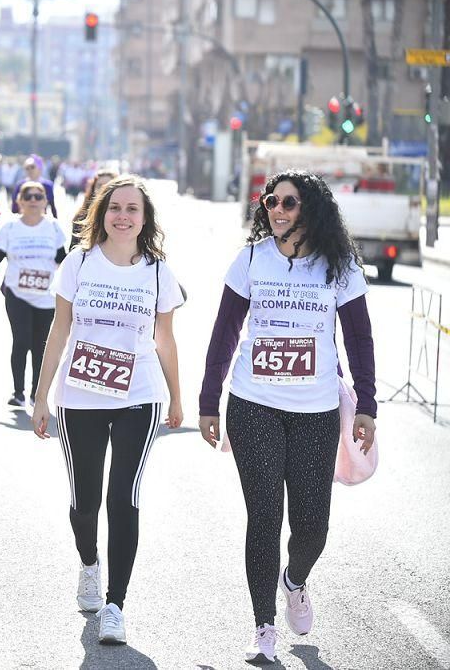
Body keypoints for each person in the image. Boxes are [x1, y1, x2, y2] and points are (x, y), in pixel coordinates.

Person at [198, 170, 377, 664]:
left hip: (315, 411)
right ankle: (263, 626)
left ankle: (294, 581)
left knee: (312, 525)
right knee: (264, 516)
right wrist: (209, 401)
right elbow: (224, 334)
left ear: (311, 209)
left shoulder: (338, 266)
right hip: (253, 404)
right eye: (271, 201)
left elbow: (360, 339)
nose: (277, 210)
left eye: (289, 203)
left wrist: (367, 405)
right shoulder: (251, 259)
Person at [31, 175, 183, 645]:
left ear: (144, 219)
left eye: (132, 209)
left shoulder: (158, 272)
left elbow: (164, 339)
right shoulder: (78, 263)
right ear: (102, 214)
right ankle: (89, 563)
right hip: (80, 397)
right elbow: (59, 330)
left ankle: (116, 603)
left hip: (139, 395)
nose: (122, 216)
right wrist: (41, 395)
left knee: (124, 495)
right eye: (115, 207)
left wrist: (177, 396)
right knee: (85, 500)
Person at [0, 180, 66, 407]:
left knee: (40, 344)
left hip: (46, 298)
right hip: (17, 294)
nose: (33, 200)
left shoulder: (53, 228)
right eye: (28, 196)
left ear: (45, 202)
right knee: (21, 340)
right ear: (19, 201)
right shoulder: (10, 228)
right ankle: (18, 392)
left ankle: (36, 394)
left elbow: (63, 262)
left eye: (38, 196)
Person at [71, 169, 118, 249]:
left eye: (108, 185)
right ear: (93, 189)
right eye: (100, 185)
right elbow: (73, 248)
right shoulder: (81, 217)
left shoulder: (123, 217)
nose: (104, 189)